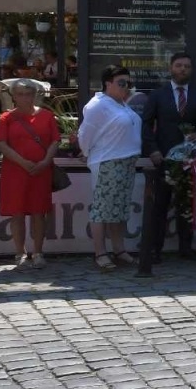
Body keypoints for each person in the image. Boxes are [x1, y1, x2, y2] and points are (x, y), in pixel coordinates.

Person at [139, 51, 196, 267]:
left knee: (187, 204)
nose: (182, 69)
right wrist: (152, 150)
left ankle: (186, 248)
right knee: (160, 206)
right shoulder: (158, 95)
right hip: (164, 158)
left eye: (186, 66)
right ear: (171, 68)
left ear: (191, 70)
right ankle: (155, 249)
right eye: (179, 66)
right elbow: (146, 125)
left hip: (190, 159)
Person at [79, 66, 143, 271]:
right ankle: (100, 252)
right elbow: (85, 135)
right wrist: (86, 151)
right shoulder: (98, 105)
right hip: (108, 162)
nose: (126, 88)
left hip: (126, 162)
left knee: (119, 210)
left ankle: (119, 249)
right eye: (122, 83)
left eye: (129, 84)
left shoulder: (121, 104)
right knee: (103, 210)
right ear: (108, 83)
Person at [0, 78, 61, 270]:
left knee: (40, 212)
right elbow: (1, 144)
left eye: (29, 93)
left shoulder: (47, 116)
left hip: (40, 171)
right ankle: (20, 253)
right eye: (20, 94)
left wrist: (45, 161)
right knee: (17, 213)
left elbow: (55, 141)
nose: (25, 97)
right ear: (14, 96)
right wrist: (23, 162)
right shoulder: (7, 117)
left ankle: (38, 252)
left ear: (35, 95)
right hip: (15, 171)